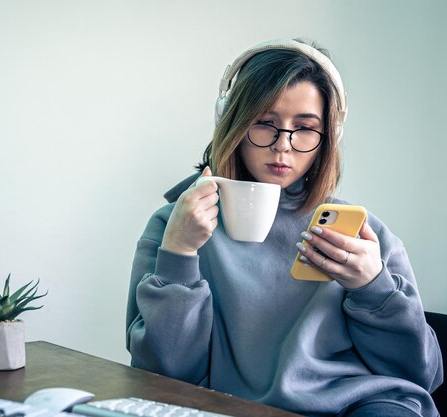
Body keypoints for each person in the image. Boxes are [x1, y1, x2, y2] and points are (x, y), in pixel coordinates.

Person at [126, 39, 443, 417]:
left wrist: (373, 286)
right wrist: (179, 254)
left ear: (329, 138)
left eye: (305, 128)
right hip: (230, 405)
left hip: (360, 404)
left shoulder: (363, 234)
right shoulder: (175, 225)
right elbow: (163, 374)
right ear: (233, 123)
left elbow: (421, 373)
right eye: (265, 123)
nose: (282, 146)